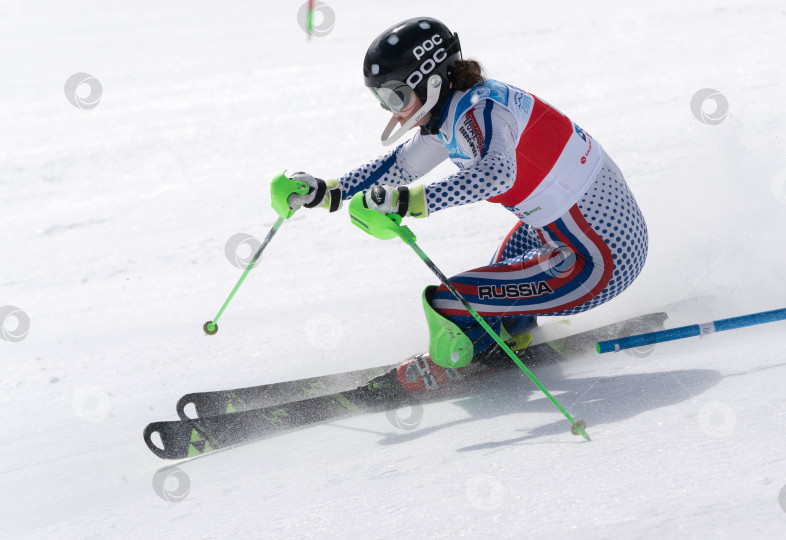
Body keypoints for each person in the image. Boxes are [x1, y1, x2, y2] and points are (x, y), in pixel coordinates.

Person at [272, 17, 648, 379]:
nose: (392, 110)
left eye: (396, 95)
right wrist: (327, 193)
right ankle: (505, 333)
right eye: (383, 99)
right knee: (486, 300)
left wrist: (406, 203)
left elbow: (497, 174)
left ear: (432, 82)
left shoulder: (482, 111)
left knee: (450, 304)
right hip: (568, 233)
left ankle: (468, 358)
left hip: (601, 260)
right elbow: (403, 165)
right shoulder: (457, 108)